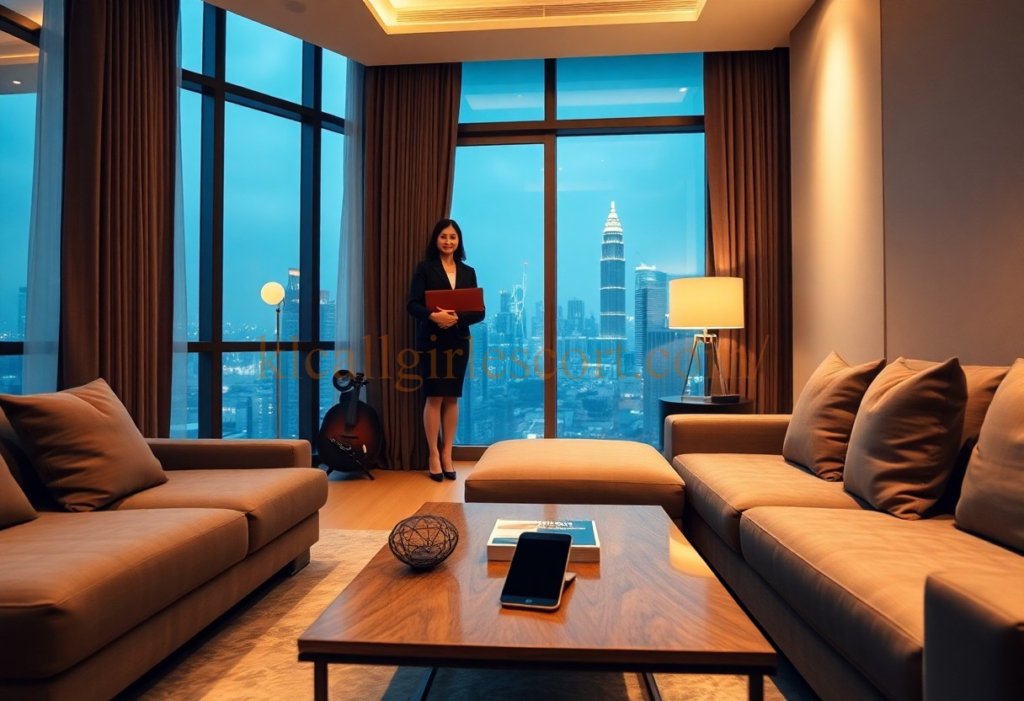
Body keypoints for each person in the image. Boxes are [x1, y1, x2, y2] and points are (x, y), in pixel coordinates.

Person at [406, 218, 485, 481]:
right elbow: (412, 305)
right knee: (434, 397)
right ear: (436, 240)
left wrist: (457, 319)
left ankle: (447, 453)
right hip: (432, 341)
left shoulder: (468, 272)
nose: (448, 241)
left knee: (452, 397)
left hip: (458, 341)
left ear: (459, 241)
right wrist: (433, 317)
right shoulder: (425, 269)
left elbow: (479, 311)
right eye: (443, 236)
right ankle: (432, 454)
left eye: (453, 237)